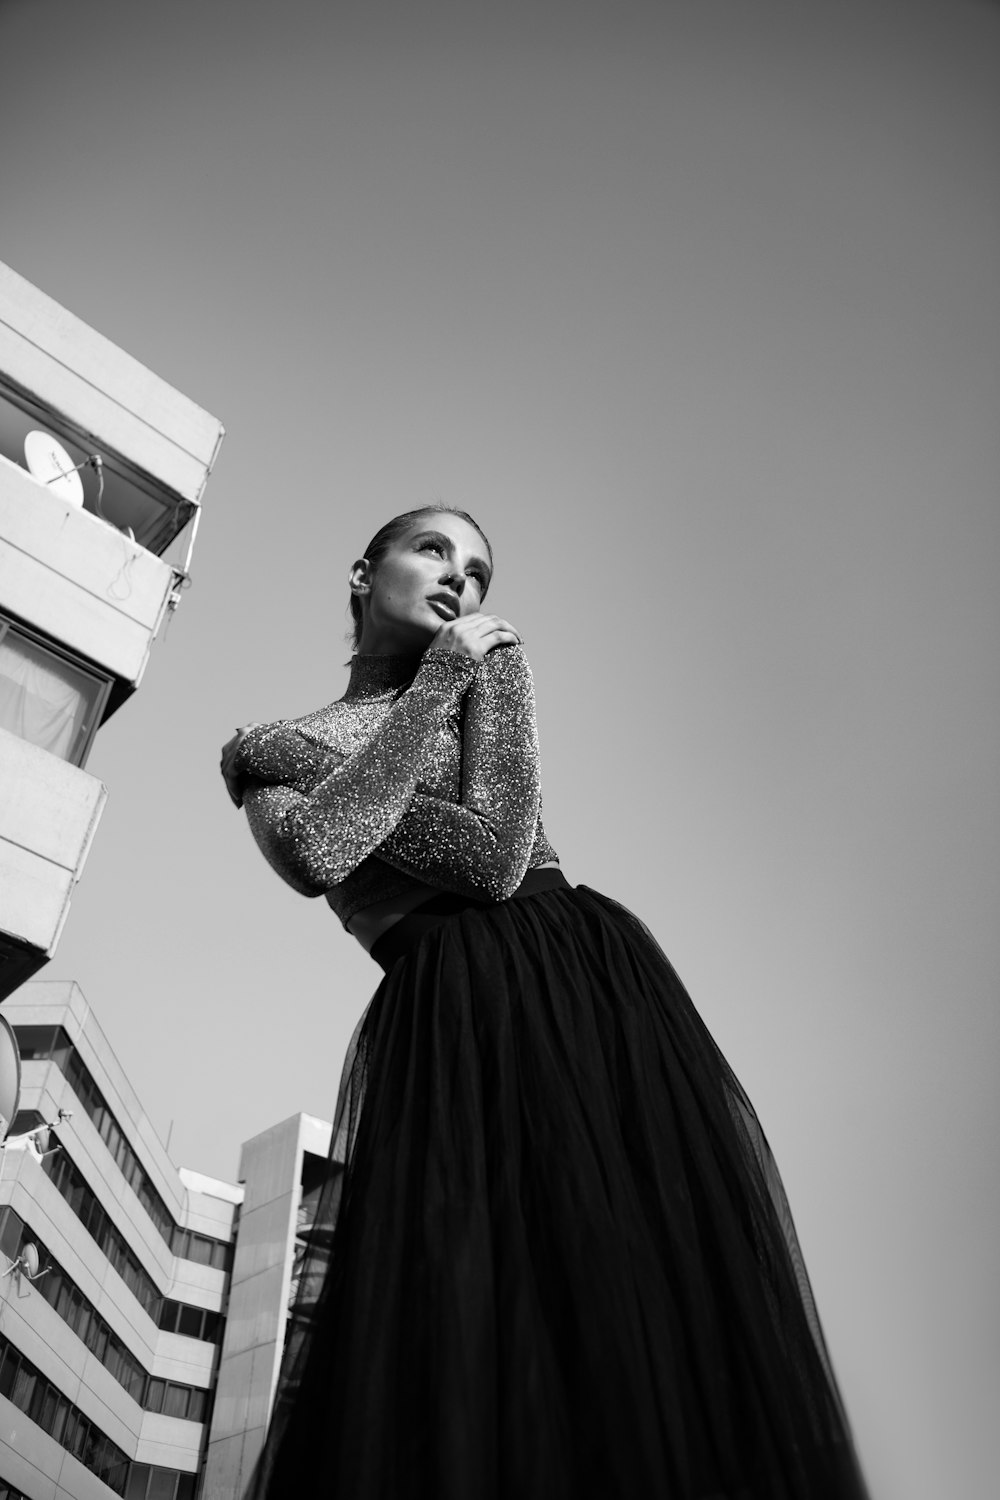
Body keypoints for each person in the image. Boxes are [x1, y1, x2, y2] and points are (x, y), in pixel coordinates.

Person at [221, 505, 869, 1500]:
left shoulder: (465, 677)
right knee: (471, 1305)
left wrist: (335, 743)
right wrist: (425, 695)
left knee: (635, 1281)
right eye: (432, 550)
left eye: (477, 572)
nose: (460, 584)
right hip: (448, 1013)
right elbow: (319, 853)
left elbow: (491, 856)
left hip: (577, 979)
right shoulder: (368, 713)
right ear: (364, 570)